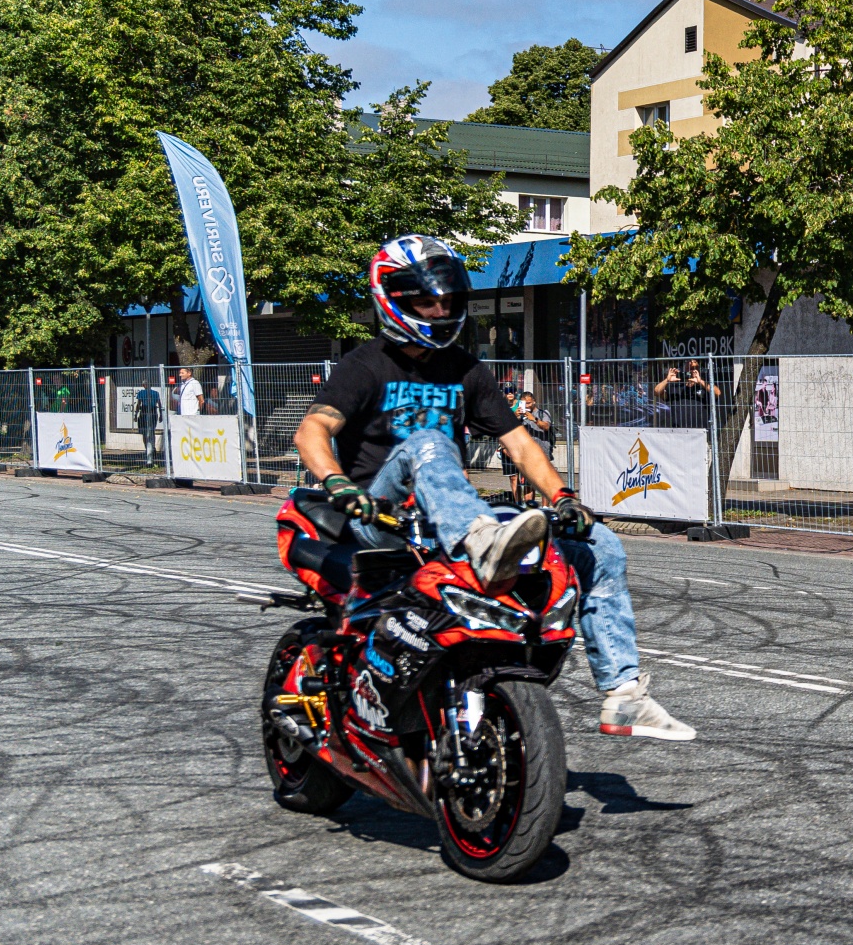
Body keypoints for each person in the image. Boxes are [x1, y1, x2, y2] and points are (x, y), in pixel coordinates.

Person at [293, 234, 693, 741]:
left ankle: (623, 694)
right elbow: (312, 430)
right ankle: (480, 544)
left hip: (447, 518)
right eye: (426, 300)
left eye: (448, 299)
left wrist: (563, 499)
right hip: (379, 513)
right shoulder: (364, 365)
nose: (440, 309)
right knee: (429, 441)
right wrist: (338, 484)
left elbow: (521, 445)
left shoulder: (466, 369)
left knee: (599, 544)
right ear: (390, 298)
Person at [134, 379, 162, 462]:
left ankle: (147, 448)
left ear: (144, 385)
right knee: (152, 431)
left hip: (144, 411)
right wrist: (161, 414)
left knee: (144, 432)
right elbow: (159, 404)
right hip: (153, 411)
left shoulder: (141, 393)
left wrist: (136, 414)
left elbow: (139, 404)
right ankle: (152, 447)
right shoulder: (156, 393)